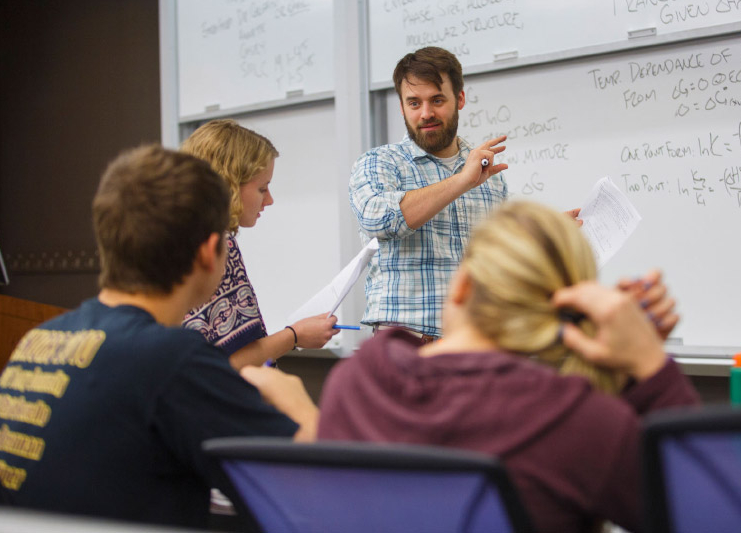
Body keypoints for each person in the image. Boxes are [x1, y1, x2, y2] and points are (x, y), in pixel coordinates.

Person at [315, 201, 700, 533]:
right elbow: (715, 518)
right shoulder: (580, 421)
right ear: (569, 312)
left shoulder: (354, 385)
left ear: (463, 285)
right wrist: (649, 364)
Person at [0, 145, 319, 528]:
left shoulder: (38, 341)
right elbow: (315, 491)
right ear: (210, 253)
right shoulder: (170, 360)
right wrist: (296, 402)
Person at [349, 46, 511, 341]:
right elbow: (379, 221)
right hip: (405, 346)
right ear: (401, 106)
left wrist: (545, 235)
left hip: (476, 342)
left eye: (437, 100)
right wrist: (462, 181)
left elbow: (497, 258)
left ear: (459, 99)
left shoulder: (490, 177)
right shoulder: (379, 163)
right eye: (414, 103)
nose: (426, 114)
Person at [181, 119, 338, 369]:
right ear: (229, 184)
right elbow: (229, 363)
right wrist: (294, 336)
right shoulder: (218, 246)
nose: (270, 200)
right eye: (262, 188)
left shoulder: (176, 239)